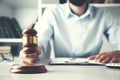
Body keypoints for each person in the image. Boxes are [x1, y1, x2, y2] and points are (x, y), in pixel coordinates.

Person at [19, 0, 120, 64]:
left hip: (94, 70)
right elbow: (39, 40)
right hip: (60, 72)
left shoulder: (104, 14)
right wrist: (32, 51)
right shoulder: (52, 12)